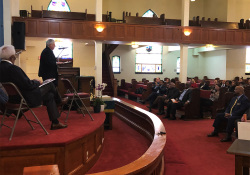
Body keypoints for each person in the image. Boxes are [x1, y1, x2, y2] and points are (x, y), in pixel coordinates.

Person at [0, 45, 67, 130]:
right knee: (50, 84)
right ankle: (59, 101)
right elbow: (28, 85)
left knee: (49, 96)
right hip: (25, 98)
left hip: (14, 98)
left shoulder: (1, 68)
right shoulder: (13, 69)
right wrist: (37, 82)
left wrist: (32, 82)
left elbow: (20, 83)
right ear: (12, 57)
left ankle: (55, 123)